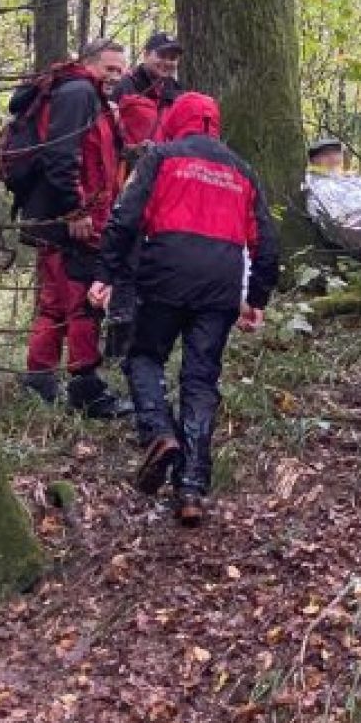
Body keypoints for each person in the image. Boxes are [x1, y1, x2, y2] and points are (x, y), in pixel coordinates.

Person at [90, 92, 279, 526]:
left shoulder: (162, 157)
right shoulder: (242, 170)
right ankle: (191, 488)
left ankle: (159, 433)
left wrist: (105, 273)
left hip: (165, 272)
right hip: (221, 281)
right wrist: (257, 300)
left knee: (143, 355)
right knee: (200, 377)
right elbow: (266, 243)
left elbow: (125, 218)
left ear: (176, 121)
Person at [16, 37, 132, 417]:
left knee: (55, 304)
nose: (115, 76)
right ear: (89, 63)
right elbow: (61, 155)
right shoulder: (79, 92)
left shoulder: (85, 94)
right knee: (83, 303)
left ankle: (40, 382)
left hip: (60, 221)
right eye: (109, 68)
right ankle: (85, 388)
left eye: (120, 69)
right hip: (72, 223)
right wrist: (75, 210)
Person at [113, 30, 183, 159]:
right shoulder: (125, 85)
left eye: (172, 58)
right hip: (130, 167)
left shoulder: (177, 91)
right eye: (161, 56)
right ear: (146, 55)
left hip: (165, 166)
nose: (167, 62)